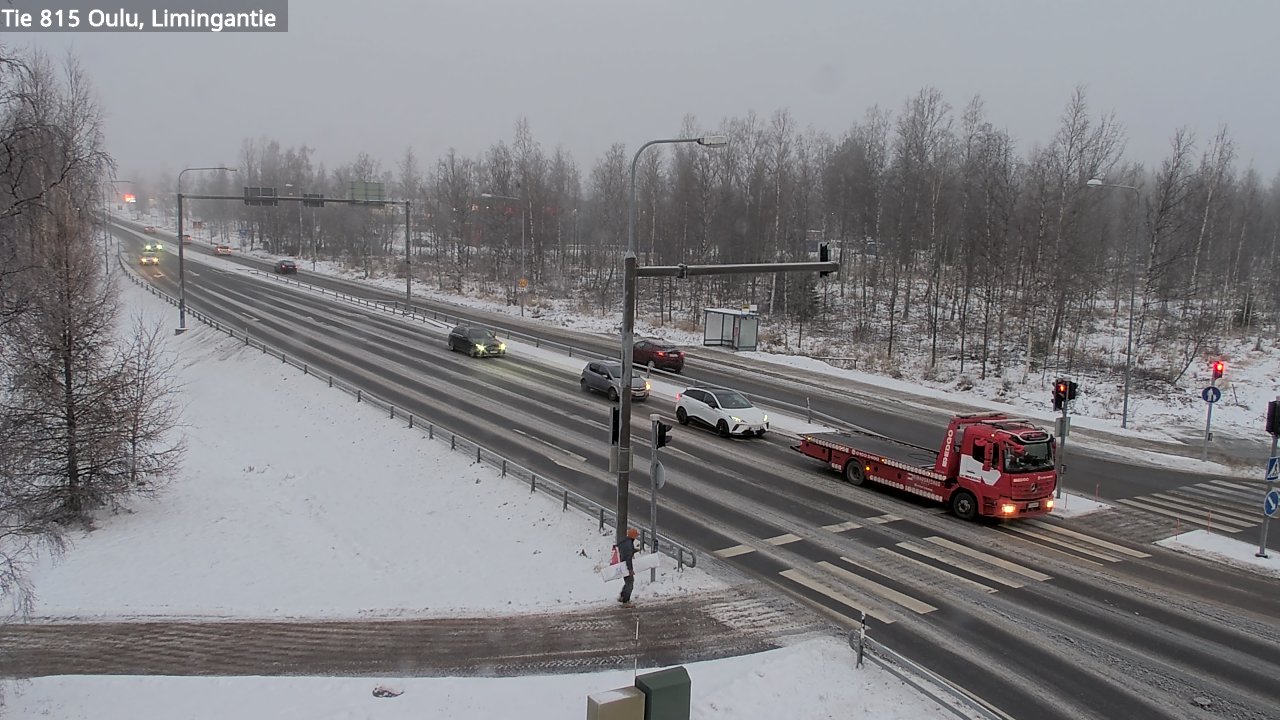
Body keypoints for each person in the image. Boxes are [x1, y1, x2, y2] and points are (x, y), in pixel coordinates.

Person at [618, 527, 639, 605]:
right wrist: (630, 569)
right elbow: (628, 558)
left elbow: (624, 552)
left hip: (621, 564)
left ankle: (622, 596)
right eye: (636, 536)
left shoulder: (625, 542)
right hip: (625, 566)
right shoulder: (629, 544)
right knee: (630, 583)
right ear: (633, 536)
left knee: (627, 582)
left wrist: (634, 550)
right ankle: (626, 601)